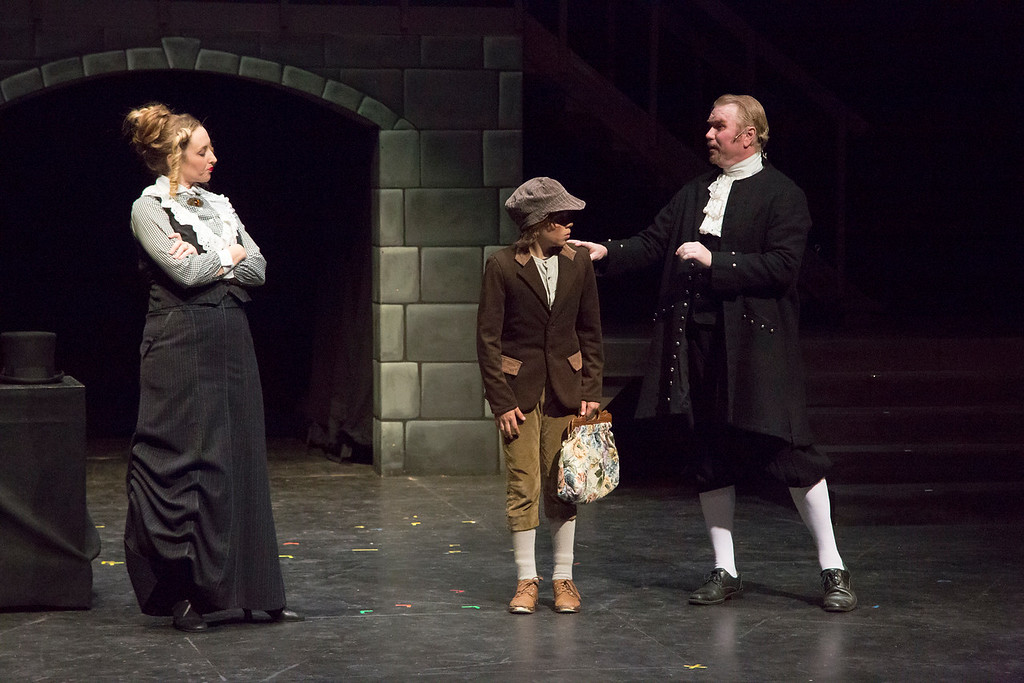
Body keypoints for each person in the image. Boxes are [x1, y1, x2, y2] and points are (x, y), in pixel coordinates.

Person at [571, 95, 857, 612]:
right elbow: (653, 241)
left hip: (756, 347)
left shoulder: (782, 194)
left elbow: (783, 267)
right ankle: (725, 569)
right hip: (699, 343)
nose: (708, 133)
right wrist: (607, 251)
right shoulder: (695, 192)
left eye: (718, 125)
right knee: (708, 453)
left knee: (789, 451)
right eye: (708, 125)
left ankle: (832, 567)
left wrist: (715, 261)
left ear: (748, 135)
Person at [122, 103, 303, 632]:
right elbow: (184, 273)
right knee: (185, 463)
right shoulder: (149, 209)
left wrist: (215, 258)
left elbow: (259, 268)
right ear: (175, 159)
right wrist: (228, 256)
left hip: (230, 338)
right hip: (178, 343)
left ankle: (252, 590)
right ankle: (182, 593)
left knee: (239, 456)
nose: (213, 158)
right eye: (203, 151)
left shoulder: (218, 205)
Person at [477, 177, 604, 614]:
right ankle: (526, 579)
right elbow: (488, 339)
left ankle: (563, 578)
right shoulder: (502, 266)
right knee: (524, 481)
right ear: (538, 223)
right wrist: (500, 400)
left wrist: (591, 388)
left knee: (562, 482)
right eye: (561, 217)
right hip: (519, 392)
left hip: (565, 389)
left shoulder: (578, 262)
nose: (570, 224)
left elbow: (590, 330)